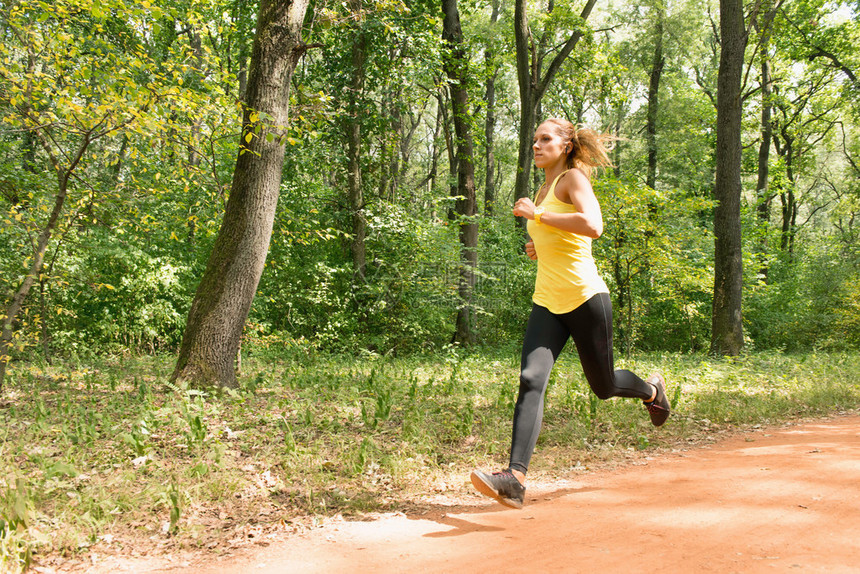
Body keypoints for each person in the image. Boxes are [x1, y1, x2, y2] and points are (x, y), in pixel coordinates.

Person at [470, 118, 670, 509]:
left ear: (565, 146)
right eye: (534, 139)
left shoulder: (573, 179)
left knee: (604, 385)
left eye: (545, 138)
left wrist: (538, 218)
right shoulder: (543, 189)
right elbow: (560, 238)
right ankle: (514, 479)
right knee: (531, 379)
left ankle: (650, 391)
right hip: (547, 300)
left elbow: (592, 225)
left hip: (584, 297)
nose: (536, 144)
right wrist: (537, 247)